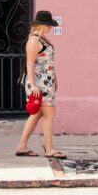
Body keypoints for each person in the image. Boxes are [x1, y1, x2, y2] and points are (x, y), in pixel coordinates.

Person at [16, 10, 65, 159]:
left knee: (37, 114)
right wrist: (34, 85)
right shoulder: (34, 41)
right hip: (39, 84)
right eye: (49, 25)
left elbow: (46, 61)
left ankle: (22, 146)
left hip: (46, 81)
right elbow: (30, 64)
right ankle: (49, 149)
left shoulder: (43, 39)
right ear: (42, 25)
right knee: (50, 113)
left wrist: (54, 77)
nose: (50, 28)